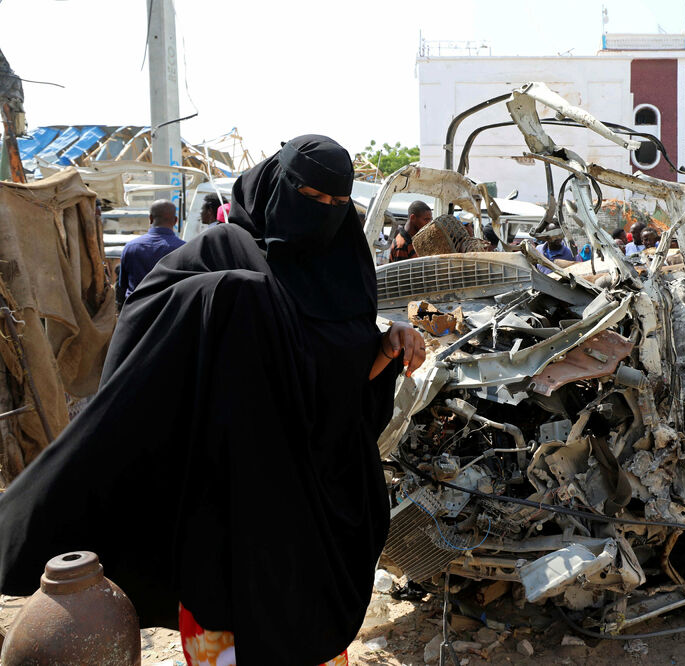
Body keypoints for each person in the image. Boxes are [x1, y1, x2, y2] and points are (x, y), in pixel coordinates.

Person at [0, 135, 426, 666]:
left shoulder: (345, 268)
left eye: (339, 202)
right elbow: (142, 334)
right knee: (226, 629)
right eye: (312, 196)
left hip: (306, 506)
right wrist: (227, 297)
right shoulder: (223, 250)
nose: (325, 212)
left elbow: (340, 389)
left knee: (308, 635)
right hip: (224, 493)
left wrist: (386, 346)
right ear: (276, 187)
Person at [116, 200, 185, 309]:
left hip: (136, 311)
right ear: (176, 220)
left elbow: (122, 285)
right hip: (170, 312)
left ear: (151, 219)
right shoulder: (184, 249)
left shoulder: (131, 247)